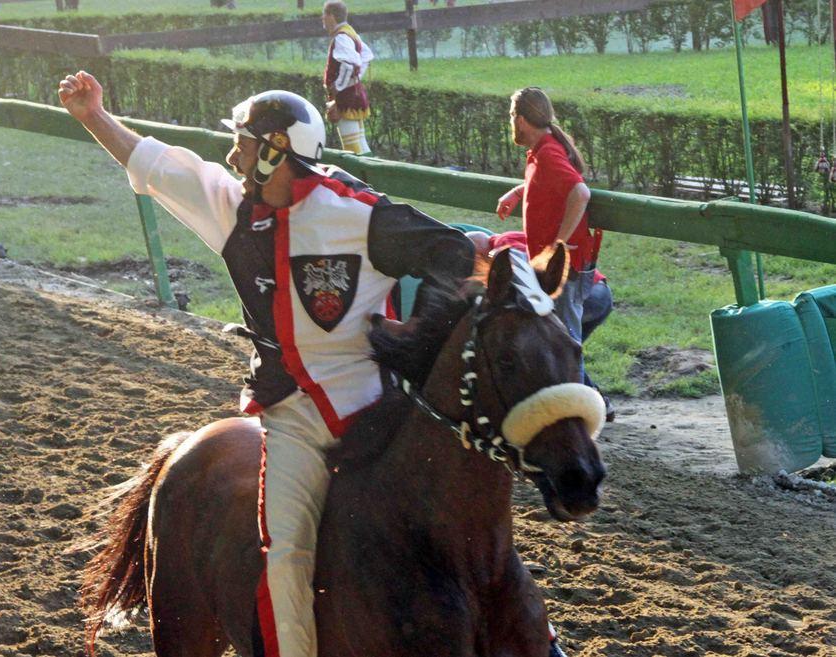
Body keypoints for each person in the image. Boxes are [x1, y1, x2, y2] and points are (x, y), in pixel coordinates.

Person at [57, 70, 474, 657]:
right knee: (286, 557)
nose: (232, 154)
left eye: (243, 143)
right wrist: (93, 116)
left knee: (466, 525)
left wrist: (420, 335)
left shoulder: (359, 212)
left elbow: (452, 250)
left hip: (378, 410)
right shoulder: (232, 209)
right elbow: (156, 165)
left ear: (276, 150)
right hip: (291, 419)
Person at [495, 87, 597, 377]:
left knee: (565, 342)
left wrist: (559, 244)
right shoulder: (542, 150)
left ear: (521, 119)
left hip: (565, 269)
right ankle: (585, 402)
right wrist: (518, 191)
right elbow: (551, 184)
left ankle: (580, 411)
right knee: (558, 339)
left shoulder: (548, 152)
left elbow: (580, 192)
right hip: (557, 268)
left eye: (511, 116)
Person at [468, 230, 615, 422]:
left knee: (558, 349)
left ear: (481, 250)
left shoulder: (502, 244)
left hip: (585, 296)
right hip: (600, 294)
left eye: (476, 258)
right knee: (560, 353)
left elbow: (524, 266)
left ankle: (577, 410)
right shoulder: (509, 237)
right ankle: (600, 402)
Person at [322, 1, 374, 156]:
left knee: (352, 145)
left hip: (346, 98)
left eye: (324, 14)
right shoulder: (351, 33)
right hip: (355, 94)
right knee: (360, 142)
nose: (322, 18)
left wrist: (338, 87)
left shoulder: (341, 37)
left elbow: (349, 64)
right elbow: (366, 56)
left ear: (331, 16)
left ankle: (361, 179)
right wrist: (355, 80)